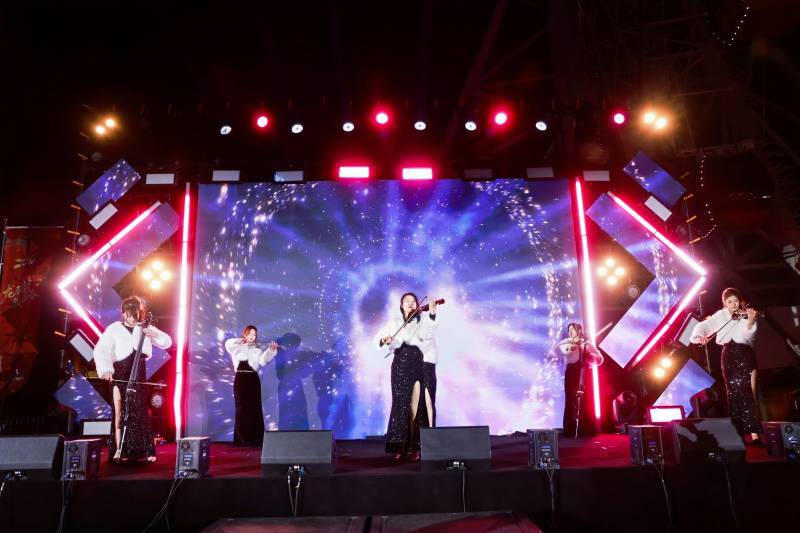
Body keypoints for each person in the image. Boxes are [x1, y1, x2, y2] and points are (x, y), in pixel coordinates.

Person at [94, 296, 172, 463]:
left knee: (140, 411)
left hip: (138, 373)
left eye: (135, 315)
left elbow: (167, 342)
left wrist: (153, 333)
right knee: (119, 411)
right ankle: (119, 450)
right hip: (120, 373)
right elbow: (100, 350)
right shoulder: (114, 328)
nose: (131, 319)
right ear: (123, 313)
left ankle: (143, 450)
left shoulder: (144, 327)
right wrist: (106, 369)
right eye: (128, 315)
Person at [691, 287, 761, 443]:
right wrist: (700, 336)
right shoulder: (720, 315)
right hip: (728, 356)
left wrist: (750, 320)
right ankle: (739, 433)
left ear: (740, 301)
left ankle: (754, 433)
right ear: (724, 303)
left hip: (745, 354)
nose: (734, 304)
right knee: (733, 395)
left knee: (750, 393)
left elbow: (748, 335)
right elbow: (703, 327)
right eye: (730, 302)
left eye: (736, 301)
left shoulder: (746, 314)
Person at [377, 293, 440, 461]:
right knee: (401, 405)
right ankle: (400, 446)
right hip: (400, 364)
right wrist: (385, 340)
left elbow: (428, 334)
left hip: (419, 362)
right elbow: (380, 340)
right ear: (401, 305)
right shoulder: (394, 322)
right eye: (407, 301)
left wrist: (432, 314)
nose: (411, 304)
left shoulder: (423, 321)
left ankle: (417, 447)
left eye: (413, 301)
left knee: (417, 406)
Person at [225, 326, 277, 446]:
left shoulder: (256, 347)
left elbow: (262, 361)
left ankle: (256, 439)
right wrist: (240, 341)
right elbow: (227, 344)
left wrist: (271, 351)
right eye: (251, 334)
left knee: (255, 407)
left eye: (255, 335)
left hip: (253, 378)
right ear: (245, 334)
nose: (253, 337)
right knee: (241, 407)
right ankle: (242, 440)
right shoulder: (236, 346)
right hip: (241, 378)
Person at [557, 323, 603, 438]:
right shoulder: (566, 342)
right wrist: (570, 348)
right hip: (571, 374)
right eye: (569, 330)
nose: (570, 332)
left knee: (586, 401)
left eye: (572, 329)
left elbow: (600, 359)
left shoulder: (587, 344)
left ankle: (586, 430)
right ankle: (569, 431)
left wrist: (590, 355)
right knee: (570, 401)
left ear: (579, 330)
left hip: (585, 373)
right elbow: (557, 351)